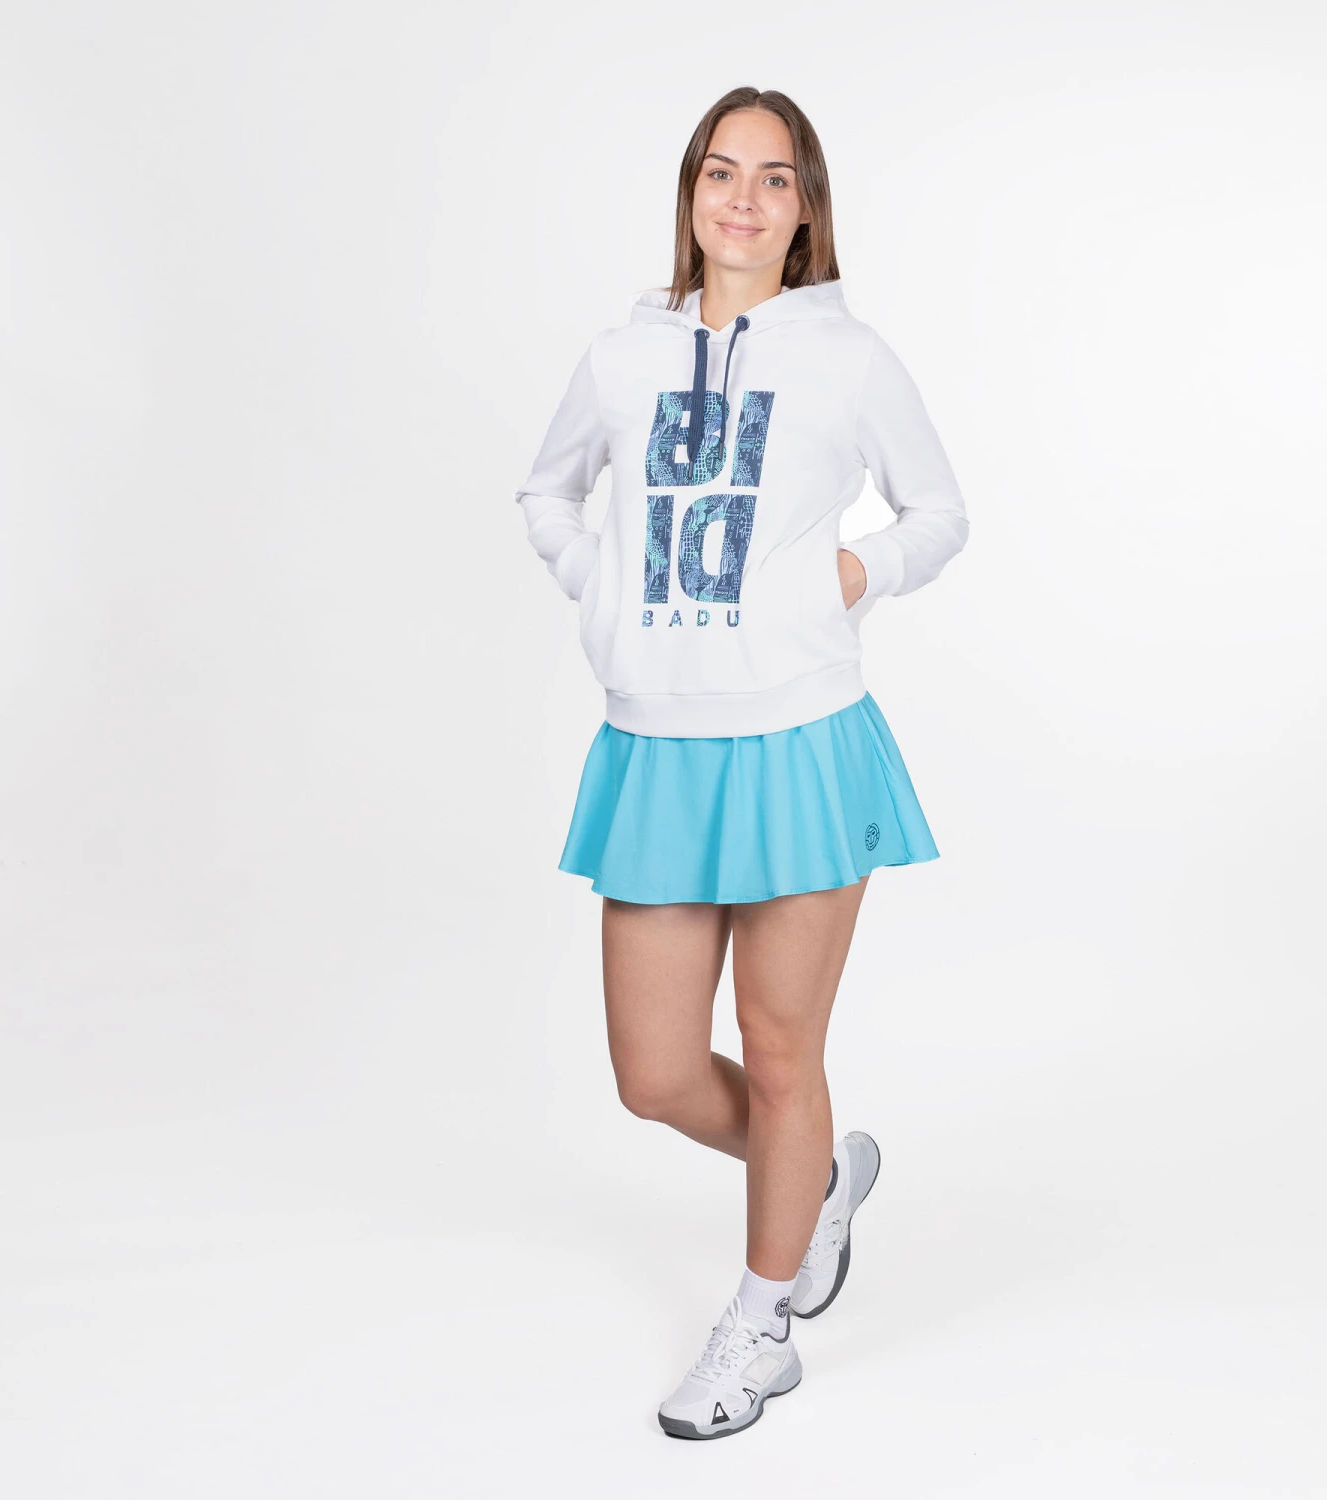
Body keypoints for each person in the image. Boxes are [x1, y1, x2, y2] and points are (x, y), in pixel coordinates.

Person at [513, 85, 968, 1439]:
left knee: (780, 1053)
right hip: (658, 743)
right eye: (723, 173)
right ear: (691, 194)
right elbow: (547, 491)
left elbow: (939, 512)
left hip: (798, 740)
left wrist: (854, 574)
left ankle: (760, 1327)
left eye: (775, 178)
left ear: (805, 207)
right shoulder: (622, 359)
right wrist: (603, 591)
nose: (746, 200)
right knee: (654, 1073)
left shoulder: (850, 358)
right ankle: (813, 1178)